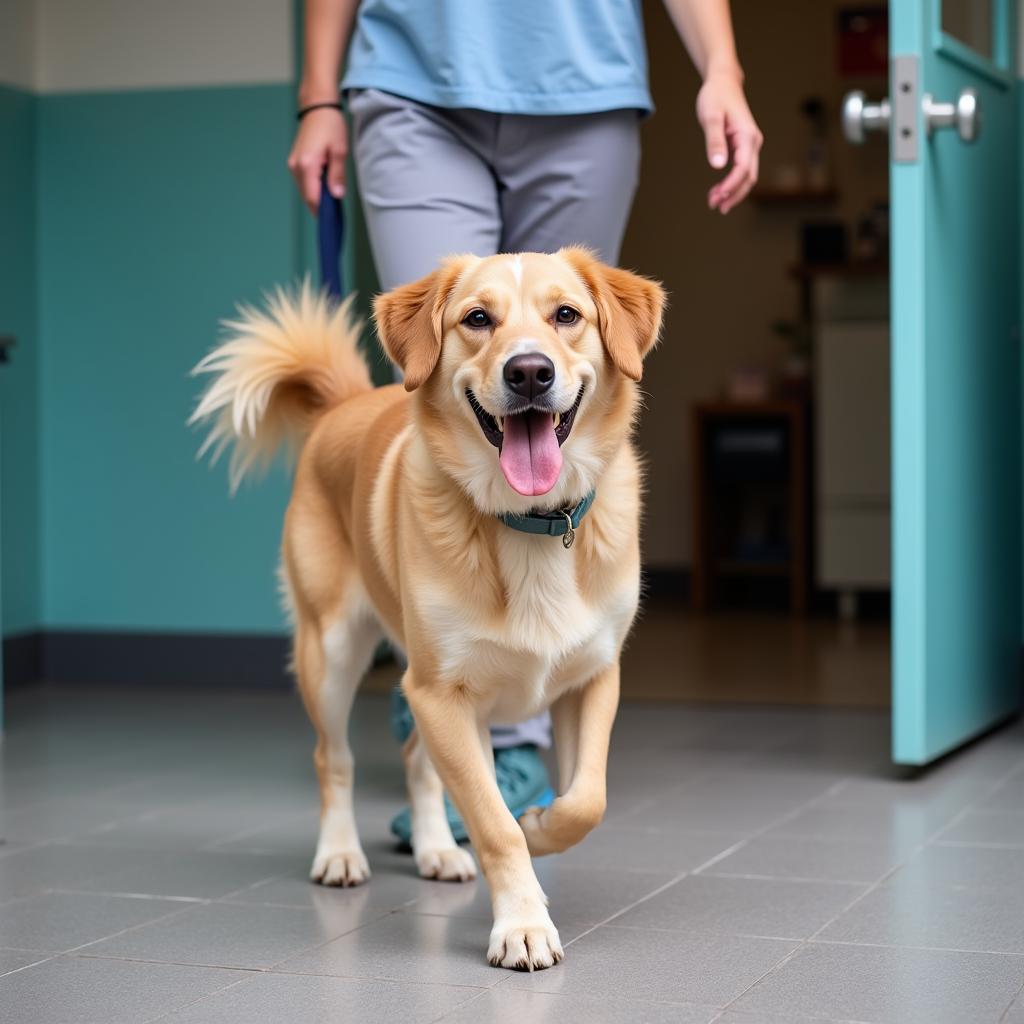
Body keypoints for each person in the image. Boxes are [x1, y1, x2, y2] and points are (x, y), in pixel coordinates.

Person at [288, 0, 763, 844]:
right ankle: (443, 708)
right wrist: (319, 91)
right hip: (409, 79)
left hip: (586, 83)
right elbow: (421, 361)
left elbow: (574, 337)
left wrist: (721, 66)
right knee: (454, 380)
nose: (530, 353)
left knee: (539, 355)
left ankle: (504, 748)